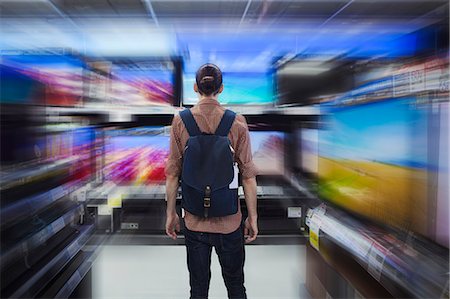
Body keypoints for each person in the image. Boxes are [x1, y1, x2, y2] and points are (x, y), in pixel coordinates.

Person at [165, 63, 258, 299]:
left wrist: (171, 214)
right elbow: (248, 176)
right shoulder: (237, 122)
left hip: (195, 220)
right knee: (236, 286)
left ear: (196, 87)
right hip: (229, 221)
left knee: (198, 289)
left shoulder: (180, 121)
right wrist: (253, 218)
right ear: (221, 88)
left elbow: (173, 173)